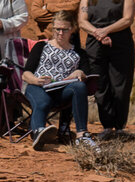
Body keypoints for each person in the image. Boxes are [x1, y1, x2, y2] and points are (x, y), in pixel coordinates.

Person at [79, 0, 135, 140]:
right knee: (101, 86)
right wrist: (98, 33)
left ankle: (119, 127)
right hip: (95, 47)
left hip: (120, 45)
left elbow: (128, 19)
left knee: (120, 86)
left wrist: (106, 30)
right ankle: (107, 126)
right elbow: (82, 21)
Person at [22, 13, 97, 150]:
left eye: (65, 29)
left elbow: (85, 75)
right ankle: (39, 132)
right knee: (43, 101)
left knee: (79, 86)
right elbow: (26, 74)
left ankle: (82, 135)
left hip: (62, 92)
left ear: (72, 30)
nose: (60, 33)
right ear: (53, 29)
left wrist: (79, 72)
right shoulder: (41, 47)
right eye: (57, 29)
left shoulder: (79, 53)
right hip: (38, 87)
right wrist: (36, 80)